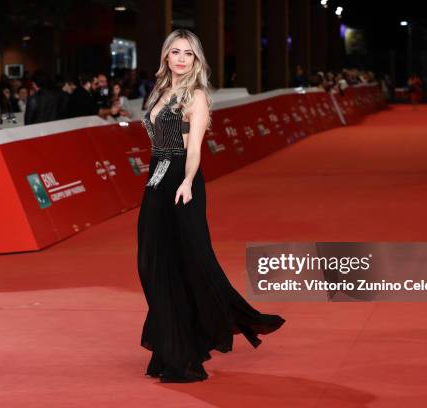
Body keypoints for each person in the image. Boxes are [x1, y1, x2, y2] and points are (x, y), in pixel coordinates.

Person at [136, 28, 285, 383]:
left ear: (197, 59)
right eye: (176, 52)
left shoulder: (196, 96)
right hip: (156, 182)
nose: (182, 59)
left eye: (189, 53)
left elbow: (195, 149)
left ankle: (185, 353)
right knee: (152, 265)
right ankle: (171, 345)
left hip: (181, 184)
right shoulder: (160, 91)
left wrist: (188, 181)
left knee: (191, 262)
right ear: (166, 57)